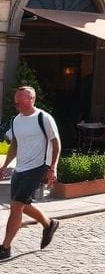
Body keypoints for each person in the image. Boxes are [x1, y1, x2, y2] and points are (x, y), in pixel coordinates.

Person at [0, 87, 61, 259]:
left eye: (19, 99)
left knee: (17, 206)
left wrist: (52, 168)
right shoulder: (16, 120)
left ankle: (5, 247)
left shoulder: (43, 118)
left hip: (38, 167)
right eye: (15, 99)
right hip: (20, 168)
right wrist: (5, 165)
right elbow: (14, 144)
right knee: (22, 204)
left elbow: (56, 144)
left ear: (31, 99)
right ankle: (49, 224)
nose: (16, 102)